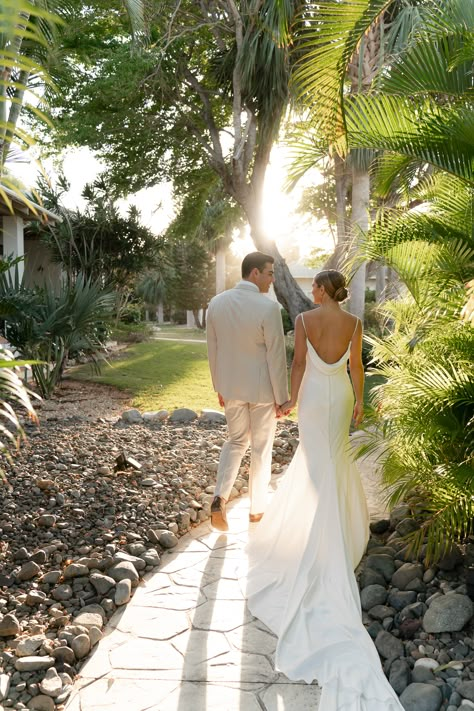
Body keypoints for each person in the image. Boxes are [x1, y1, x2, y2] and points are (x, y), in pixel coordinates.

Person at [243, 270, 404, 710]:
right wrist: (361, 401)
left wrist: (292, 400)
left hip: (314, 396)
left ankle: (315, 533)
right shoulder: (353, 323)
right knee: (336, 461)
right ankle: (343, 532)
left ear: (320, 290)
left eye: (314, 285)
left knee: (314, 464)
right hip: (340, 397)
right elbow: (356, 367)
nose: (311, 290)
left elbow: (298, 365)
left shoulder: (304, 321)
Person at [206, 251, 289, 531]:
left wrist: (220, 386)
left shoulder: (216, 304)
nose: (272, 280)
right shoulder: (268, 308)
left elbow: (213, 350)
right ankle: (256, 511)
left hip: (231, 387)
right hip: (262, 391)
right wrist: (283, 398)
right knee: (261, 450)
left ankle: (220, 497)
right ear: (254, 273)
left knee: (236, 441)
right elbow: (275, 356)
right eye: (269, 273)